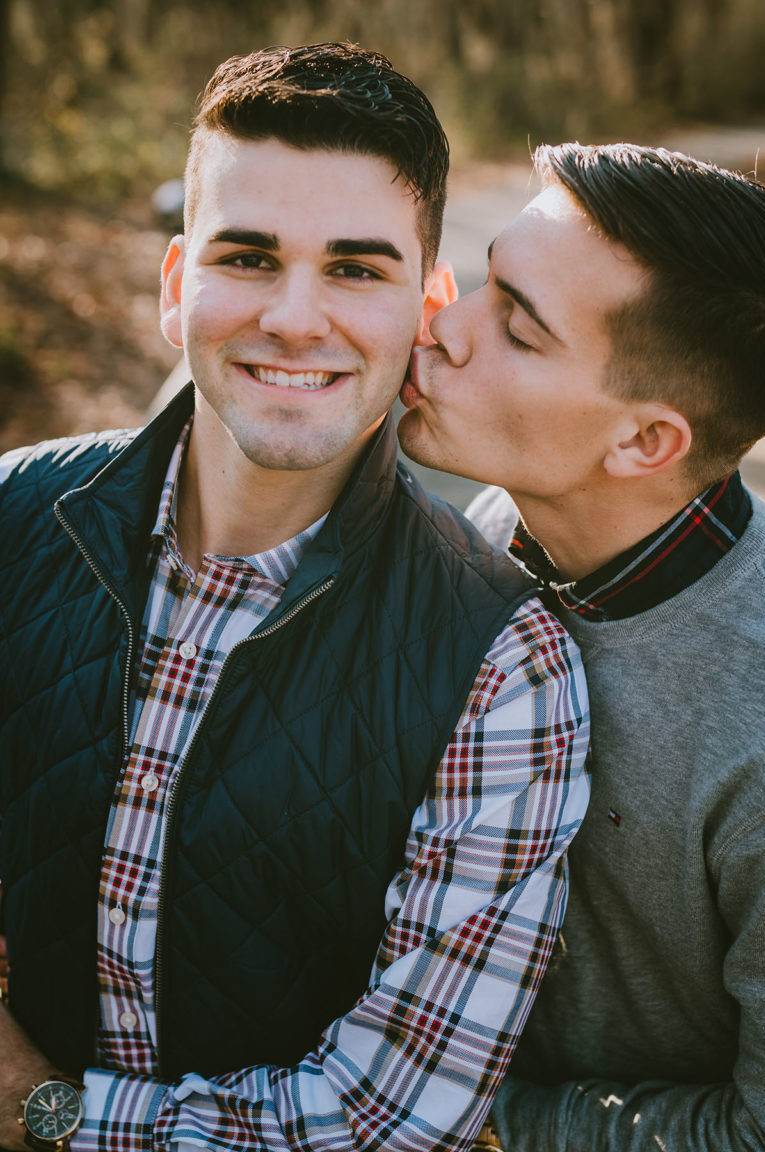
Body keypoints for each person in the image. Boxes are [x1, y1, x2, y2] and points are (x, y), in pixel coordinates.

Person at [0, 45, 590, 1152]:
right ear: (178, 287)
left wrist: (44, 1114)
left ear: (428, 305)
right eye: (250, 256)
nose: (296, 319)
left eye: (358, 270)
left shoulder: (503, 663)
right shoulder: (14, 516)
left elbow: (391, 1118)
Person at [398, 140, 765, 1151]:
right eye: (482, 285)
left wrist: (477, 1126)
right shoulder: (486, 534)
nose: (442, 327)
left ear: (645, 442)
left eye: (516, 328)